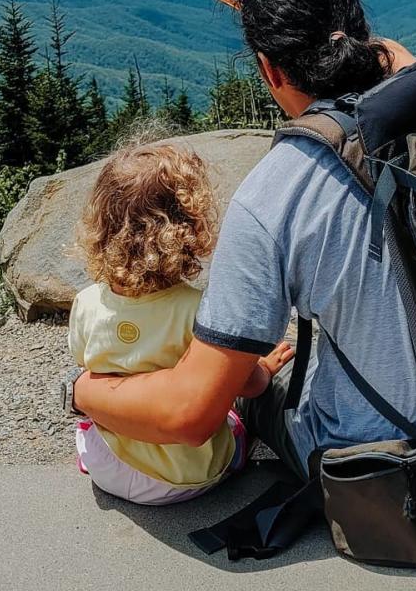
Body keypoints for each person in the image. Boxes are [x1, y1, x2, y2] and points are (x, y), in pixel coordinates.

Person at [73, 0, 416, 483]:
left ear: (270, 71)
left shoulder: (273, 193)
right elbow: (400, 60)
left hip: (382, 461)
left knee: (256, 387)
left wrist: (78, 390)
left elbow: (190, 416)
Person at [68, 142, 294, 502]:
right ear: (189, 227)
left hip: (108, 464)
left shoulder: (86, 302)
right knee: (236, 422)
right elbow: (246, 385)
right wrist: (263, 368)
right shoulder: (199, 309)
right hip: (186, 475)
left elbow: (87, 366)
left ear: (102, 226)